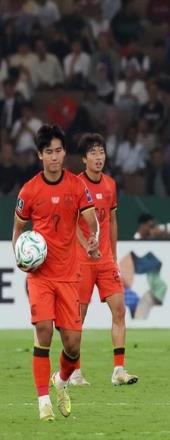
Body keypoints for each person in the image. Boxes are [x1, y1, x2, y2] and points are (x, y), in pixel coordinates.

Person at [12, 124, 100, 421]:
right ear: (40, 155)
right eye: (48, 152)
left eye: (59, 151)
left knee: (73, 346)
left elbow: (91, 219)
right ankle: (43, 402)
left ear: (64, 153)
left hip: (69, 275)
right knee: (44, 331)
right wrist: (19, 257)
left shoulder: (76, 186)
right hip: (41, 276)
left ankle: (60, 381)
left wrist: (93, 236)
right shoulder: (29, 190)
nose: (54, 157)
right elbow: (17, 230)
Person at [69, 133, 138, 387]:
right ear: (84, 158)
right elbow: (70, 222)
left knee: (119, 310)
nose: (99, 157)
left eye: (101, 152)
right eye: (93, 153)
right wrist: (86, 245)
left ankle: (118, 370)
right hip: (82, 261)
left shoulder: (110, 185)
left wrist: (114, 255)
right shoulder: (76, 185)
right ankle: (74, 372)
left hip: (106, 261)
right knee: (78, 318)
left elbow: (112, 221)